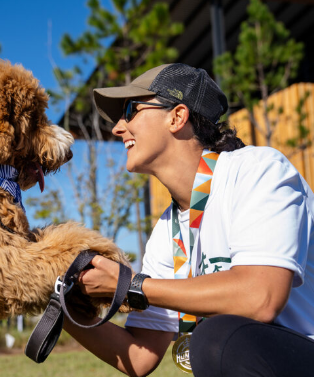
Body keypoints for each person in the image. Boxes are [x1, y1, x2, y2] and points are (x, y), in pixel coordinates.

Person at [63, 63, 314, 377]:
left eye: (130, 110)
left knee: (216, 339)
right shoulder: (168, 228)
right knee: (216, 340)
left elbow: (260, 297)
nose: (118, 128)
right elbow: (140, 355)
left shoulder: (257, 170)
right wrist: (57, 299)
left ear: (177, 116)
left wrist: (132, 285)